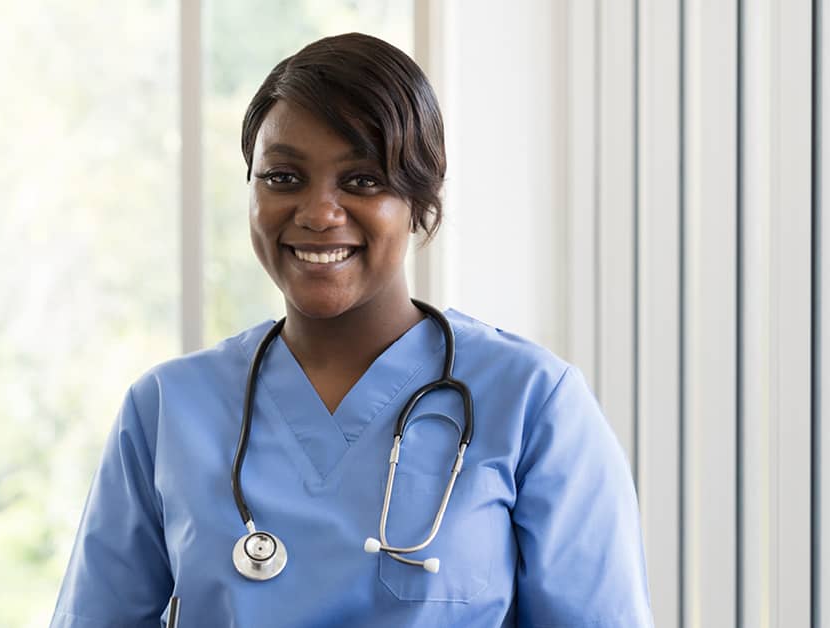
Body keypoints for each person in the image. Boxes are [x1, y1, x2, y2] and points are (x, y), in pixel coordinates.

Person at [50, 32, 652, 628]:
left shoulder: (532, 401)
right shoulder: (166, 409)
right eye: (283, 178)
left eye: (362, 180)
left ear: (421, 197)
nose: (316, 213)